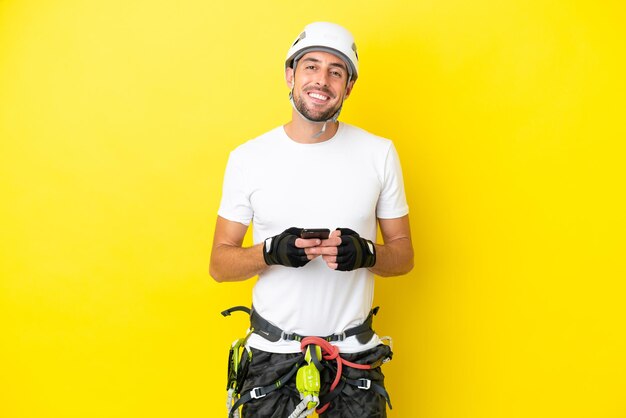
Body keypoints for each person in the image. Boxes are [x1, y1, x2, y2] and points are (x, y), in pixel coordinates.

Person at [210, 21, 414, 418]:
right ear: (290, 74)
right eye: (311, 66)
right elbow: (219, 264)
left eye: (336, 71)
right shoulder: (248, 158)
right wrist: (269, 252)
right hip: (272, 359)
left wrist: (367, 254)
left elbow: (404, 256)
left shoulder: (379, 153)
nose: (322, 80)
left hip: (352, 363)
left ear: (348, 87)